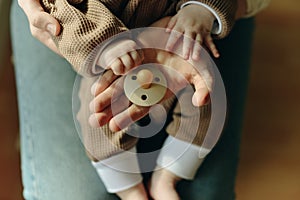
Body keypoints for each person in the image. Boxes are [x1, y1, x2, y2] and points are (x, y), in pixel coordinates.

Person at [11, 0, 270, 199]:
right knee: (100, 115)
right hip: (111, 51)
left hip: (177, 34)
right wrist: (104, 44)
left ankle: (167, 177)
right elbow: (63, 12)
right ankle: (130, 189)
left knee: (207, 101)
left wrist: (201, 11)